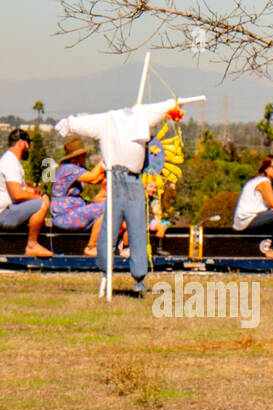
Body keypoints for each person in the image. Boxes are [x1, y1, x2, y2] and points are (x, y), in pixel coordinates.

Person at [56, 99, 181, 290]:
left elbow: (162, 108)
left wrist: (173, 104)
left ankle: (137, 275)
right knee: (113, 225)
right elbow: (87, 125)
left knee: (135, 227)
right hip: (118, 179)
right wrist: (70, 124)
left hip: (130, 179)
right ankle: (107, 265)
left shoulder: (139, 116)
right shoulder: (118, 120)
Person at [0, 129, 53, 257]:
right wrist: (40, 198)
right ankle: (32, 244)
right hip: (4, 214)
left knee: (41, 199)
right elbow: (18, 194)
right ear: (21, 143)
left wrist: (38, 192)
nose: (28, 147)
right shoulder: (10, 162)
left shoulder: (10, 160)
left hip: (9, 210)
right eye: (28, 143)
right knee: (42, 203)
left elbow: (23, 188)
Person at [50, 136, 105, 257]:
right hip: (65, 214)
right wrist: (105, 158)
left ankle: (95, 244)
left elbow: (95, 180)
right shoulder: (68, 169)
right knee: (106, 208)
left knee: (105, 208)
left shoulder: (75, 169)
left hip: (70, 211)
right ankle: (91, 246)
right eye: (83, 155)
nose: (85, 157)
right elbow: (92, 176)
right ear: (76, 157)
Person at [232, 155, 273, 258]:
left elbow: (272, 207)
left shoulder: (262, 181)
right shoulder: (263, 182)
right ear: (267, 169)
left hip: (252, 217)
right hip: (248, 220)